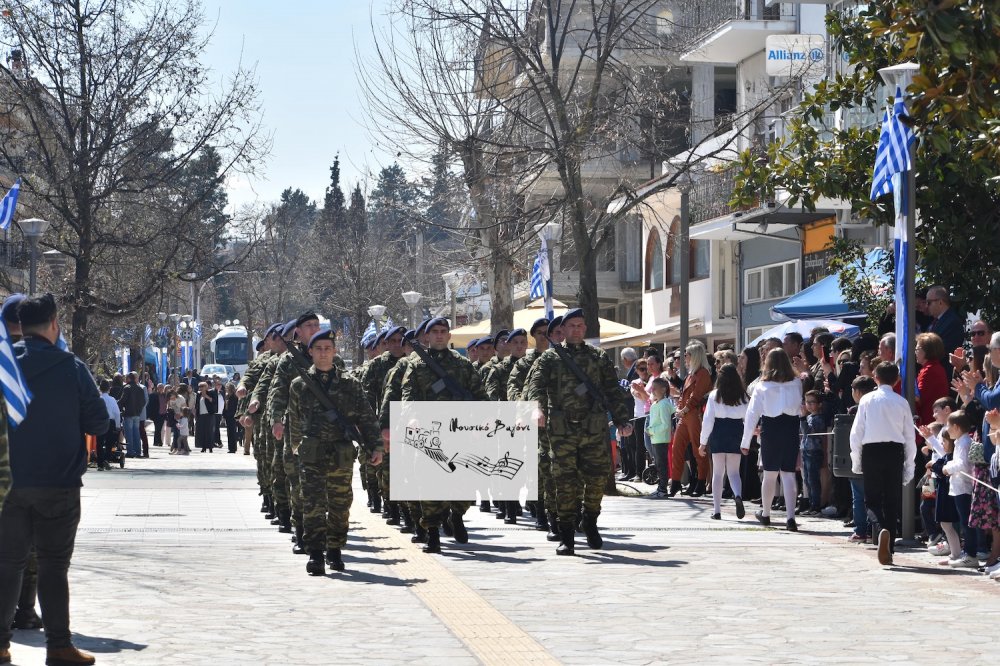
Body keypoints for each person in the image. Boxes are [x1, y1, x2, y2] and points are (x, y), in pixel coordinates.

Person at [0, 293, 109, 666]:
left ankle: (0, 646)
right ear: (53, 324)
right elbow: (98, 423)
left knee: (7, 564)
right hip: (58, 484)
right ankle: (59, 647)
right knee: (52, 566)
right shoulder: (71, 366)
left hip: (8, 485)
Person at [524, 309, 632, 556]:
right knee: (564, 483)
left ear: (585, 329)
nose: (576, 330)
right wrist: (537, 409)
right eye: (571, 325)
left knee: (596, 479)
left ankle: (591, 520)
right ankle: (567, 535)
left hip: (593, 429)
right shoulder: (550, 358)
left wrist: (622, 420)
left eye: (580, 326)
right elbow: (535, 385)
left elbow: (612, 390)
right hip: (562, 432)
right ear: (562, 330)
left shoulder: (598, 357)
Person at [288, 329, 383, 575]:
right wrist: (295, 448)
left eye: (327, 349)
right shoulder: (299, 385)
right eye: (318, 349)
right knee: (313, 505)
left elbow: (366, 417)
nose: (323, 354)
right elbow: (295, 422)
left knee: (341, 505)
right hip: (311, 455)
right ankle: (316, 554)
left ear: (334, 351)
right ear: (310, 352)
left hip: (341, 453)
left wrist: (375, 447)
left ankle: (335, 549)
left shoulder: (350, 384)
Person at [401, 317, 490, 553]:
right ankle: (432, 534)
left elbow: (480, 395)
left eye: (443, 331)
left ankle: (456, 515)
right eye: (435, 332)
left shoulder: (462, 365)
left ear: (449, 336)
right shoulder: (417, 365)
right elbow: (408, 394)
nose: (439, 335)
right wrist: (412, 416)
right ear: (427, 337)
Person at [850, 362, 917, 566]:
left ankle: (880, 532)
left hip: (872, 451)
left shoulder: (867, 400)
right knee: (891, 500)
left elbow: (856, 432)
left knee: (872, 500)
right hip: (894, 451)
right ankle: (890, 546)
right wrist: (909, 466)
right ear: (896, 380)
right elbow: (909, 437)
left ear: (875, 379)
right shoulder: (901, 402)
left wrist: (856, 459)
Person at [740, 348, 802, 532]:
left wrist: (745, 441)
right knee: (788, 474)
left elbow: (752, 414)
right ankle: (791, 518)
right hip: (791, 428)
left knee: (770, 473)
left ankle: (766, 513)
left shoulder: (762, 386)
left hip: (771, 429)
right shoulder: (797, 383)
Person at [701, 363, 748, 520]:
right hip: (736, 431)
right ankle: (738, 495)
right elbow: (748, 418)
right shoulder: (743, 396)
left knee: (718, 473)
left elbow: (707, 420)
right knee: (734, 472)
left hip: (719, 431)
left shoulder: (715, 395)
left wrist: (703, 442)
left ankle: (717, 510)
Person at [671, 342, 713, 497]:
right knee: (677, 448)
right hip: (686, 415)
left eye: (687, 354)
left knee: (698, 450)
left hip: (694, 414)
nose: (684, 357)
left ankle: (701, 482)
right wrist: (680, 409)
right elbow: (684, 395)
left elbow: (697, 395)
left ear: (694, 356)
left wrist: (684, 409)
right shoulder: (692, 373)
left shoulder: (703, 373)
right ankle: (675, 482)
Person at [644, 378, 675, 499]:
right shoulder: (656, 404)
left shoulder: (664, 404)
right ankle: (660, 487)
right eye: (652, 388)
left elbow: (665, 424)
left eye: (655, 388)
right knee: (658, 463)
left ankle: (662, 489)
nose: (653, 390)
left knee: (662, 464)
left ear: (663, 389)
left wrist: (651, 430)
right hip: (655, 439)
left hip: (661, 438)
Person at [800, 390, 827, 516]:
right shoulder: (810, 417)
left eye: (812, 402)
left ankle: (816, 506)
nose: (809, 405)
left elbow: (808, 432)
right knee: (807, 479)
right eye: (807, 402)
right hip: (806, 450)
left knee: (813, 480)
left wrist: (802, 418)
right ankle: (811, 505)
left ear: (819, 404)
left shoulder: (818, 418)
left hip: (814, 451)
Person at [925, 286, 964, 358]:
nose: (926, 306)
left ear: (940, 302)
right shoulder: (935, 322)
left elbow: (943, 351)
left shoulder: (953, 323)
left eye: (929, 302)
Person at [118, 372, 145, 458]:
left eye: (126, 378)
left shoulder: (127, 388)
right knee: (136, 433)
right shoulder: (140, 389)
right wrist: (139, 410)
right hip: (137, 414)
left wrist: (119, 406)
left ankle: (130, 451)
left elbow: (123, 400)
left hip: (128, 413)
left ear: (129, 379)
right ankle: (138, 451)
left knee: (129, 433)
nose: (125, 379)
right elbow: (143, 402)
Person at [97, 379, 121, 471]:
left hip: (100, 422)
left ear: (100, 388)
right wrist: (118, 425)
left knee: (99, 443)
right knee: (109, 442)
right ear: (109, 389)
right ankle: (106, 459)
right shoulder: (112, 399)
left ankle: (100, 464)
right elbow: (117, 413)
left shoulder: (98, 399)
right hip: (110, 422)